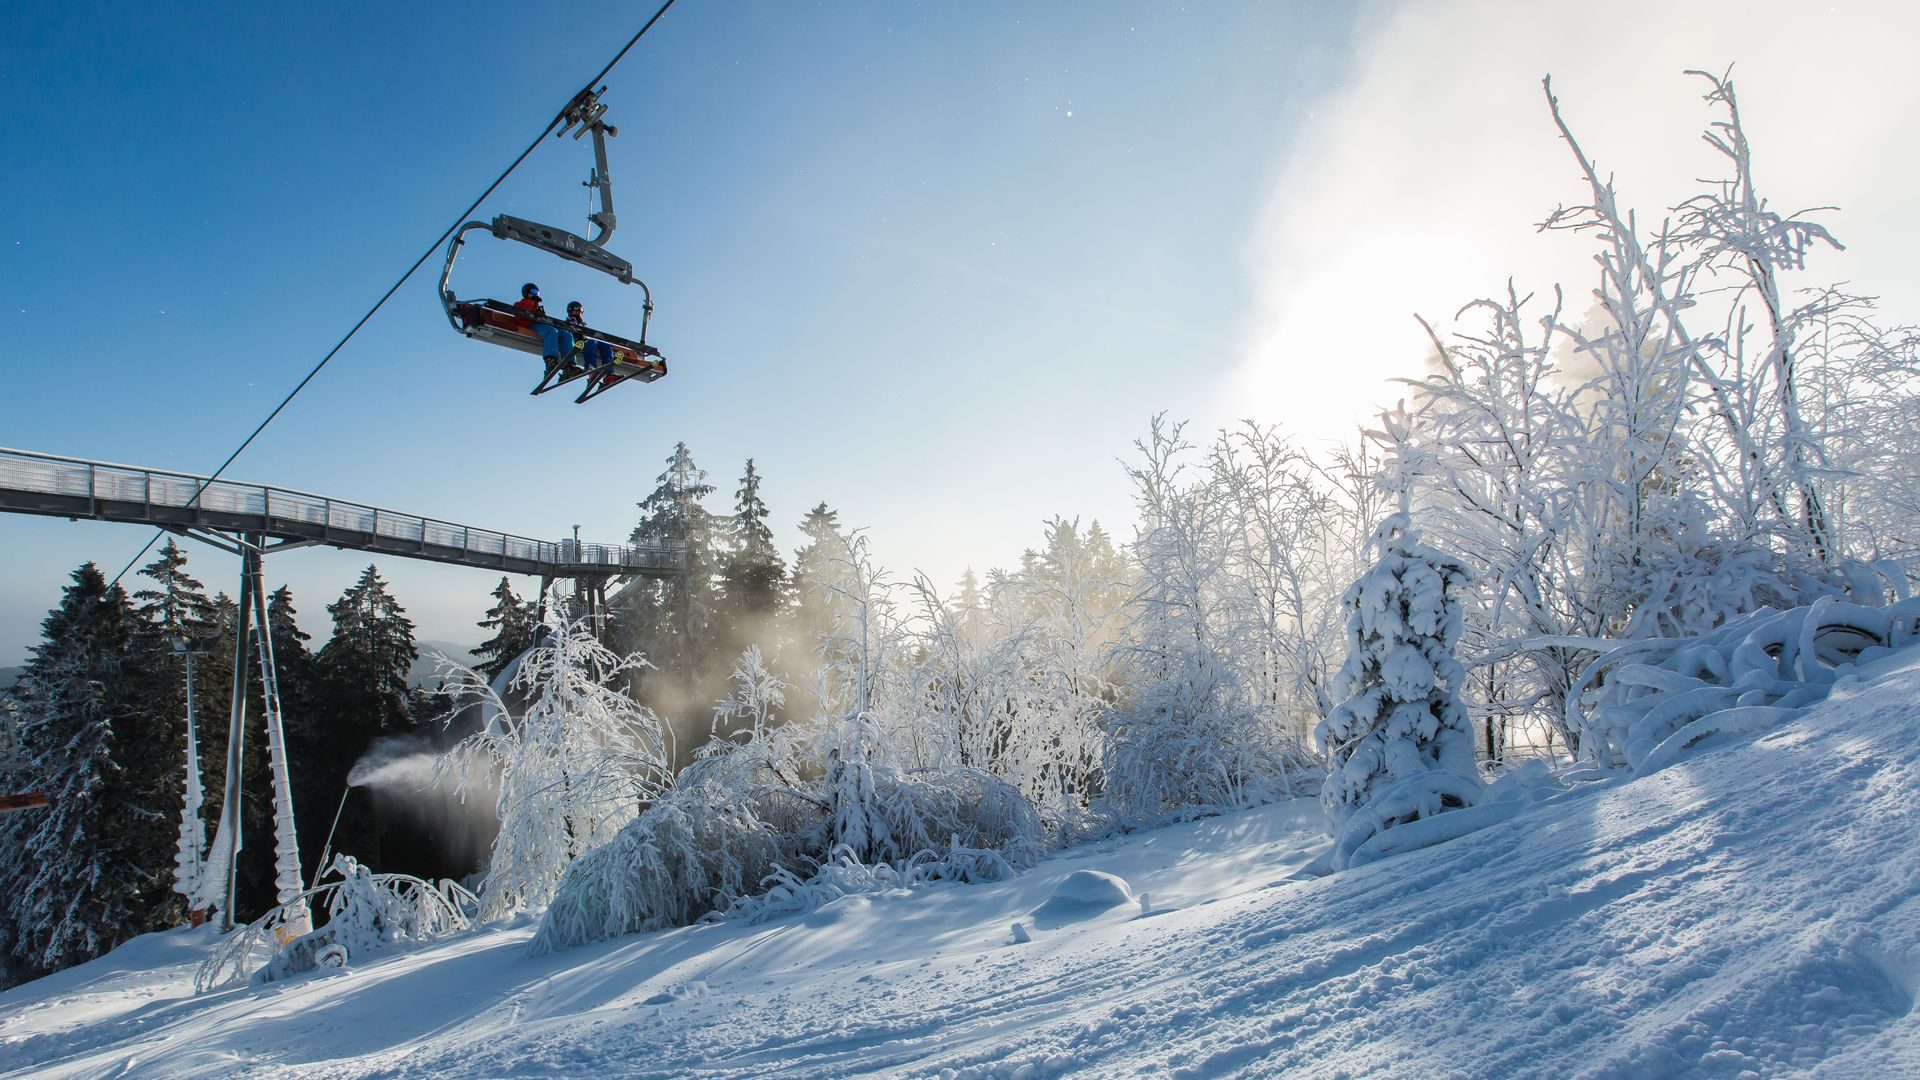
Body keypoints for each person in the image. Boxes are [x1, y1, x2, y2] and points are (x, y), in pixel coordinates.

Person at [513, 283, 574, 365]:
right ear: (526, 292)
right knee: (551, 331)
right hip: (529, 326)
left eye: (537, 292)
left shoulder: (537, 307)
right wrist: (530, 302)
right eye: (533, 291)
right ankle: (550, 359)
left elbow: (543, 320)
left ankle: (570, 363)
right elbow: (521, 316)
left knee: (566, 334)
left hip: (540, 326)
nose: (536, 294)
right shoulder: (519, 304)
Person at [566, 301, 616, 370]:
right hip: (578, 341)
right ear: (570, 310)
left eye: (581, 309)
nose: (580, 311)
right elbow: (573, 331)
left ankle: (609, 372)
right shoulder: (569, 321)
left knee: (606, 345)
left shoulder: (582, 324)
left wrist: (598, 337)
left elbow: (588, 334)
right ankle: (590, 366)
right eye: (577, 308)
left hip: (587, 340)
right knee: (591, 343)